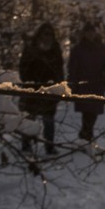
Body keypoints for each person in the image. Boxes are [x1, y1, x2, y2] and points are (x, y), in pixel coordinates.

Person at [17, 23, 64, 154]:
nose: (47, 37)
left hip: (49, 89)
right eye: (45, 33)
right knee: (29, 118)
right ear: (40, 34)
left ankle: (49, 146)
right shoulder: (31, 48)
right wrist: (30, 82)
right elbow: (23, 67)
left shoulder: (55, 49)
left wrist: (59, 85)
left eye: (50, 34)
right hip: (32, 90)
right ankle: (26, 145)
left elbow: (59, 68)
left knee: (49, 120)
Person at [67, 21, 105, 144]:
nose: (90, 34)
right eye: (88, 32)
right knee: (86, 112)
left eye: (92, 31)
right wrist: (73, 84)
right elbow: (72, 68)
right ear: (84, 33)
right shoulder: (78, 49)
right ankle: (87, 136)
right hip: (83, 85)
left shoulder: (101, 47)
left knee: (93, 112)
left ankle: (86, 134)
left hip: (97, 85)